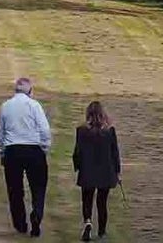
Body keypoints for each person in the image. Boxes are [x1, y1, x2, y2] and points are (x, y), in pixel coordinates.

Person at [0, 77, 52, 237]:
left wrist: (2, 151)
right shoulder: (34, 106)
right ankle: (37, 214)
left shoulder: (5, 106)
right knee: (38, 187)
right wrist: (44, 148)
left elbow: (0, 133)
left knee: (15, 190)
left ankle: (20, 224)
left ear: (15, 91)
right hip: (33, 149)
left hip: (13, 150)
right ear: (30, 91)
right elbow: (44, 129)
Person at [72, 101, 121, 240]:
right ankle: (102, 231)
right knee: (102, 202)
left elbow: (77, 152)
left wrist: (77, 166)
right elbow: (115, 153)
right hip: (105, 172)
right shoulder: (109, 131)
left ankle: (88, 221)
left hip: (87, 171)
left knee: (87, 199)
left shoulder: (81, 131)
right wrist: (117, 171)